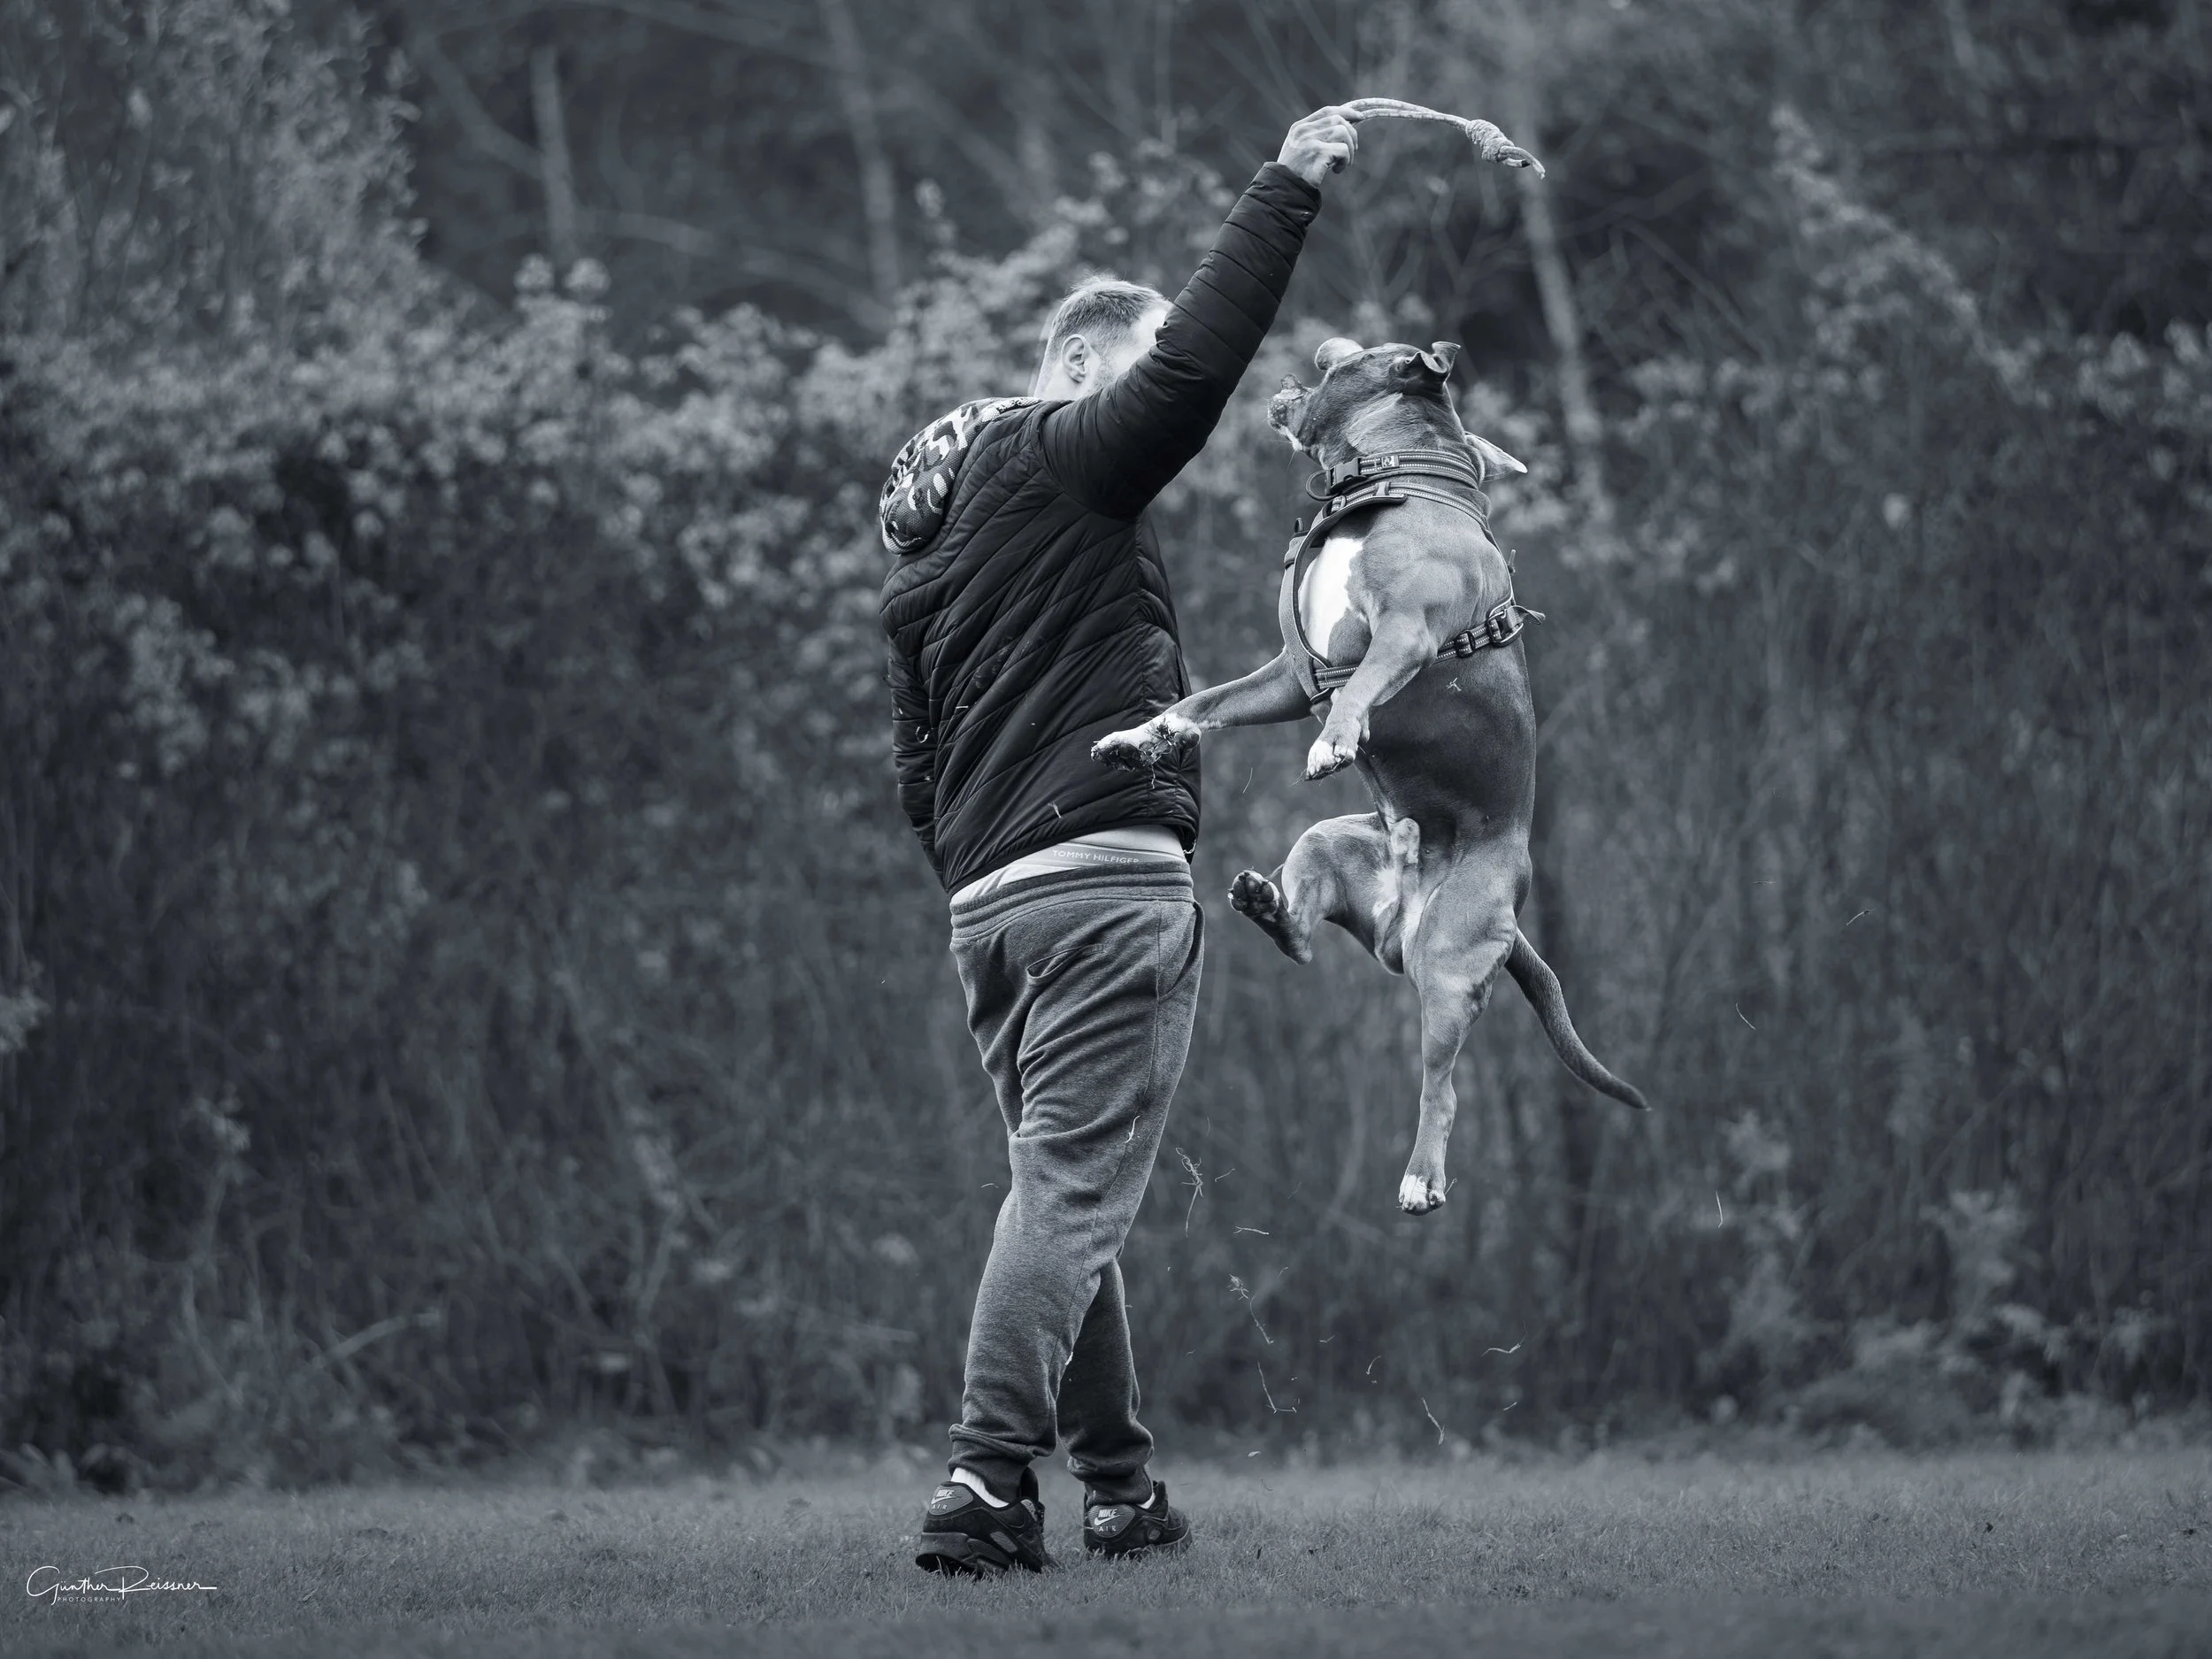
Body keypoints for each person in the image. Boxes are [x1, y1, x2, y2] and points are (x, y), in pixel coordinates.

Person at [877, 106, 1362, 1575]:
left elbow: (917, 769)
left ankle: (1122, 1485)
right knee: (1073, 1191)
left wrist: (986, 871)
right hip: (1100, 882)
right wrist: (1286, 187)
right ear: (1082, 363)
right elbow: (1201, 363)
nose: (1143, 398)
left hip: (991, 909)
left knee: (1059, 1190)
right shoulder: (1066, 453)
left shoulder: (929, 552)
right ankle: (983, 1480)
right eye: (1126, 366)